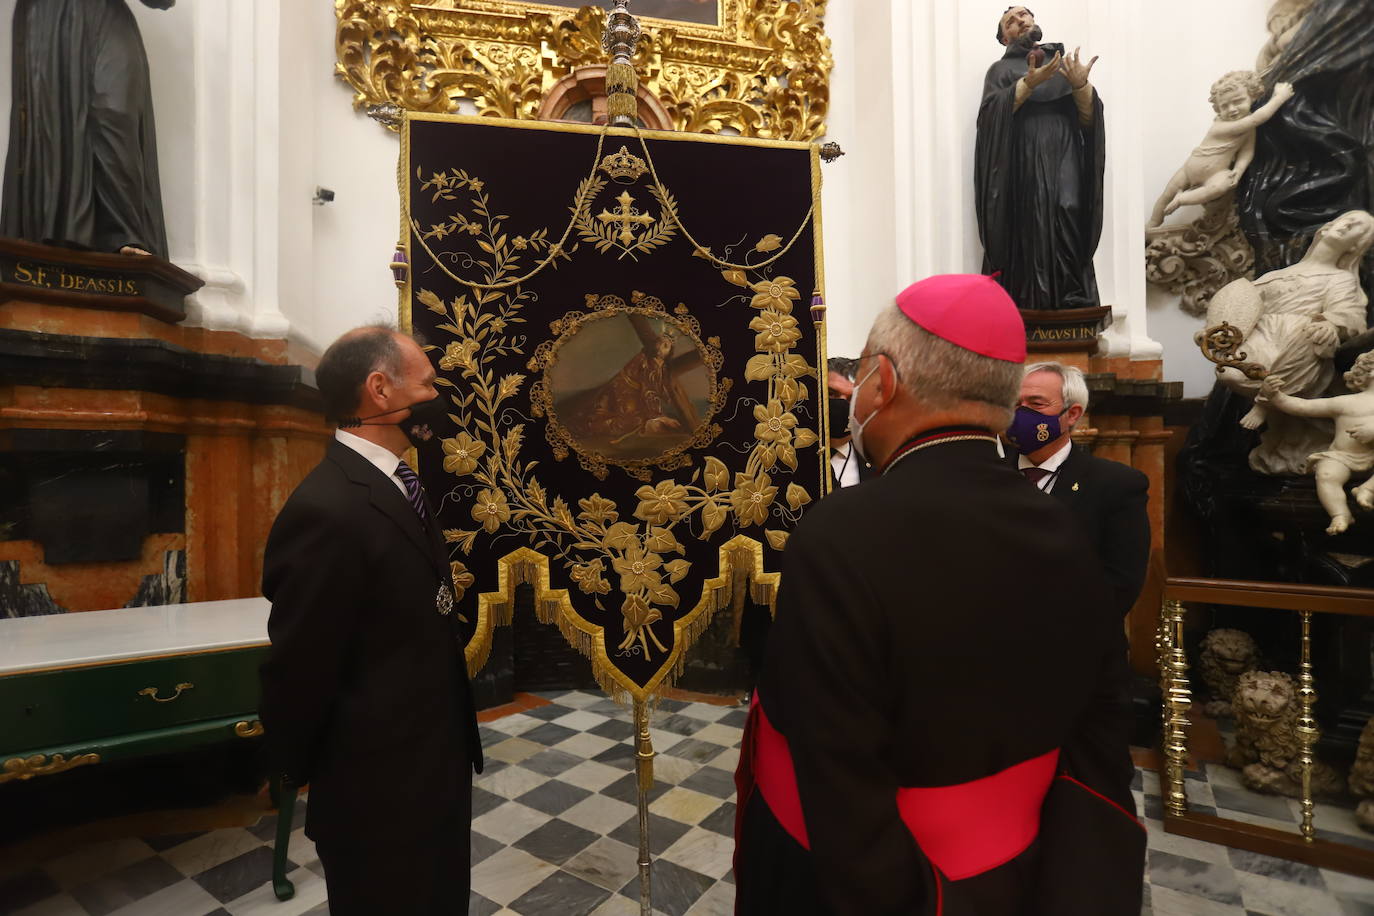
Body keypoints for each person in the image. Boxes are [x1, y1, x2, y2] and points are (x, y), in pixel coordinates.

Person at [734, 275, 1145, 916]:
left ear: (884, 384)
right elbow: (1101, 721)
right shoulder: (1063, 528)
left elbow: (840, 778)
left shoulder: (841, 533)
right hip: (1021, 874)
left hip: (889, 888)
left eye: (864, 375)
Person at [259, 325, 482, 915]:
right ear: (380, 390)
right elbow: (301, 662)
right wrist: (294, 768)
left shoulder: (396, 481)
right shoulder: (327, 508)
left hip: (429, 768)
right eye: (429, 384)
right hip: (377, 790)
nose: (440, 396)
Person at [2, 0, 173, 258]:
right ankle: (61, 232)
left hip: (107, 14)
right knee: (55, 127)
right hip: (52, 22)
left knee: (115, 113)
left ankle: (123, 234)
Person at [975, 6, 1105, 311]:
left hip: (1065, 150)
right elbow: (990, 119)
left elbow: (1088, 123)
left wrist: (1080, 86)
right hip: (1023, 156)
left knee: (1069, 207)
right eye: (1011, 21)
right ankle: (1027, 299)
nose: (1020, 21)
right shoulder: (1000, 71)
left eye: (1024, 15)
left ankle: (1072, 295)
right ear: (1003, 37)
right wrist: (1027, 84)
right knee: (1028, 220)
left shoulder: (1063, 66)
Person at [1007, 362, 1150, 618]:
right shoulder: (987, 472)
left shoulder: (1117, 484)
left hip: (1073, 641)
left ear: (1072, 414)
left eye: (1036, 404)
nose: (1021, 414)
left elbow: (1120, 584)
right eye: (1016, 404)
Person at [1147, 74, 1294, 230]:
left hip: (1216, 173)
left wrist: (1238, 170)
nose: (1232, 109)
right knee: (1166, 195)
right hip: (1189, 171)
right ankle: (1154, 223)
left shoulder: (1247, 126)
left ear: (1252, 96)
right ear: (1218, 109)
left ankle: (1183, 199)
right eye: (1224, 106)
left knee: (1220, 187)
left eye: (1238, 101)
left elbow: (1246, 150)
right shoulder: (1221, 125)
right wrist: (1279, 97)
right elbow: (1256, 119)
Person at [1257, 352, 1374, 534]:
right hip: (1342, 456)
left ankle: (1367, 490)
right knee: (1326, 475)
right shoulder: (1347, 402)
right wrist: (1276, 396)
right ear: (1371, 372)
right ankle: (1340, 514)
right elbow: (1303, 407)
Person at [825, 356, 873, 489]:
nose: (842, 405)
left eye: (852, 398)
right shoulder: (786, 455)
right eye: (831, 393)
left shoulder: (879, 463)